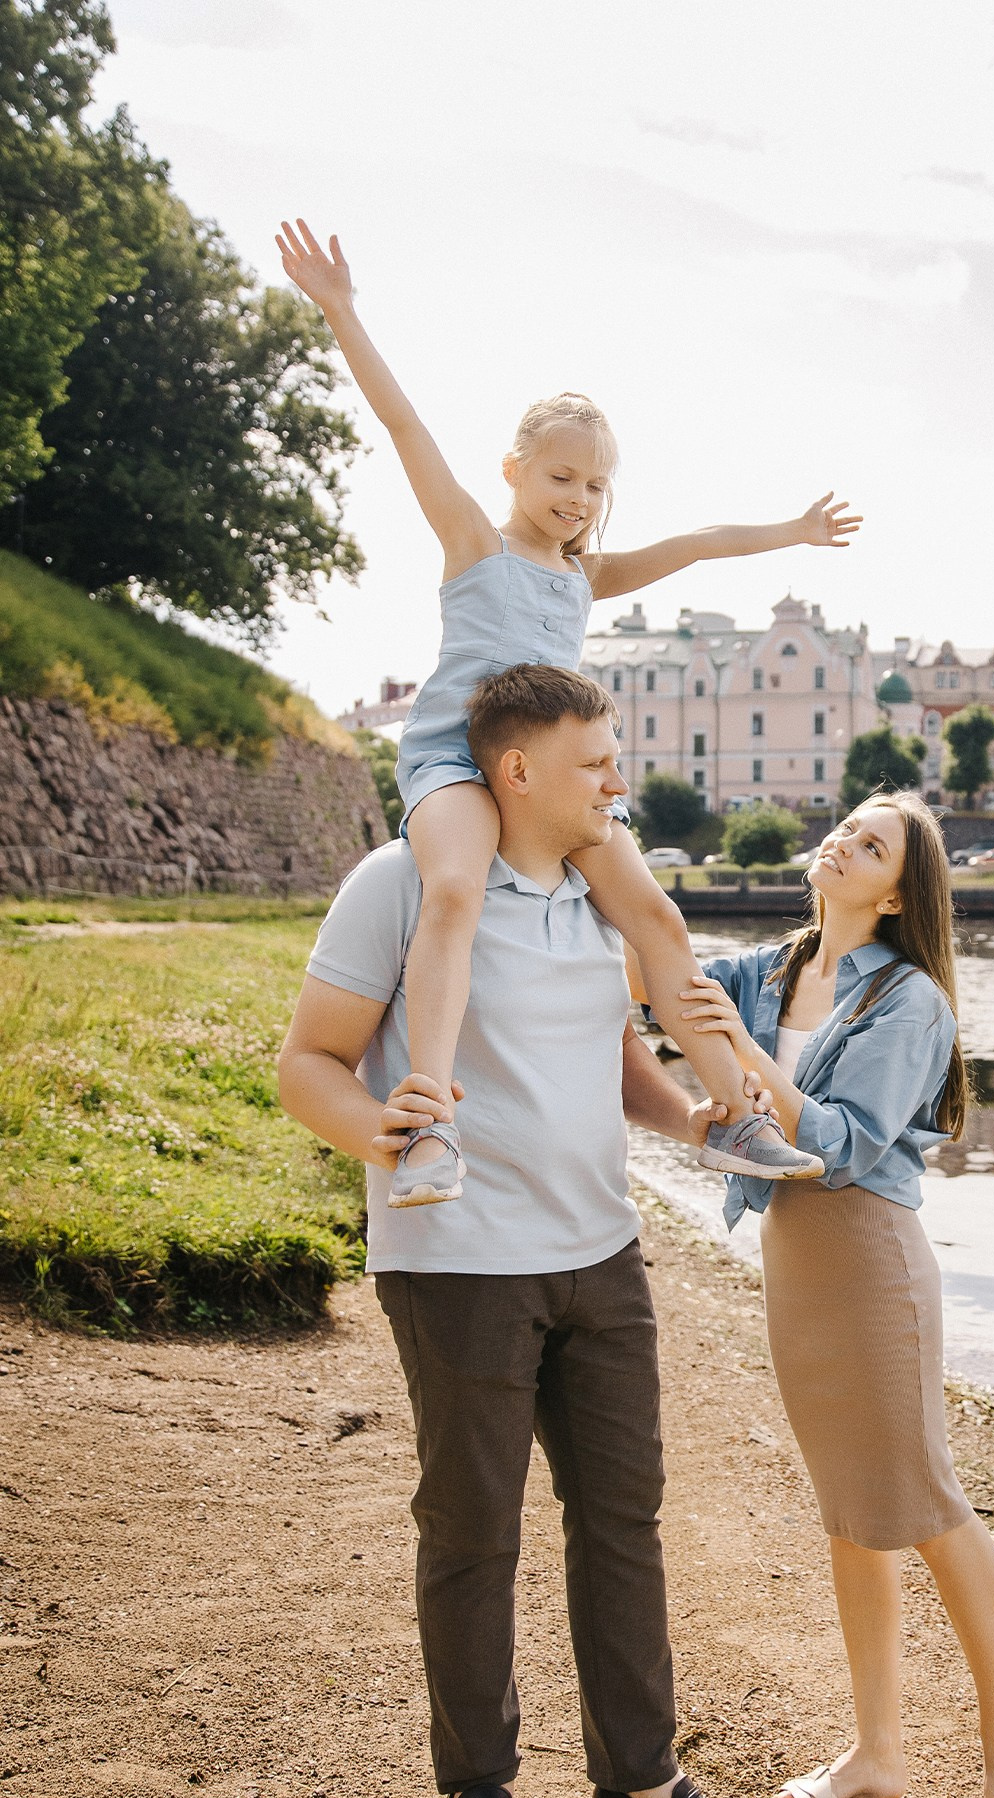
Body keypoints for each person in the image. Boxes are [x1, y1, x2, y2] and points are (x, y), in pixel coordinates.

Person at [278, 663, 772, 1798]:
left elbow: (609, 1062)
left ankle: (641, 1783)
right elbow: (309, 1062)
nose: (620, 777)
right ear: (516, 771)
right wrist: (378, 1133)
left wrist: (700, 1125)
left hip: (600, 1255)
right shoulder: (404, 886)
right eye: (598, 758)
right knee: (470, 1532)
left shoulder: (599, 897)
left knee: (624, 1520)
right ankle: (477, 1790)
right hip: (457, 1268)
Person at [275, 217, 858, 1204]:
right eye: (559, 477)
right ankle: (430, 1126)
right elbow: (405, 426)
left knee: (657, 917)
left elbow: (699, 542)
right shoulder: (473, 541)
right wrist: (340, 309)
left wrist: (792, 532)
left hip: (561, 780)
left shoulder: (585, 575)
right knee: (454, 889)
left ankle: (735, 1116)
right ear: (513, 470)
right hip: (461, 760)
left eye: (594, 485)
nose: (579, 498)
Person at [673, 792, 994, 1798]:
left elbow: (841, 1140)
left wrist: (745, 1070)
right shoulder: (773, 967)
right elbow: (676, 988)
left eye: (872, 841)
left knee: (925, 1498)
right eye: (847, 823)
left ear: (895, 890)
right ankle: (877, 1754)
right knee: (850, 1510)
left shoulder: (912, 999)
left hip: (872, 1261)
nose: (844, 836)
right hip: (794, 1262)